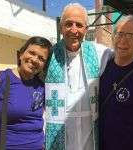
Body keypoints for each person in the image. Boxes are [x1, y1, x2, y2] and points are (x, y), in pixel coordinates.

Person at [44, 3, 110, 150]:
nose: (74, 30)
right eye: (68, 24)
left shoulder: (99, 52)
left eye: (79, 25)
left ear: (86, 29)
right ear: (61, 27)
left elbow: (125, 59)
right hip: (60, 132)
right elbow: (27, 69)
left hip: (90, 132)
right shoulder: (49, 55)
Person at [0, 36, 52, 150]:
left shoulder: (42, 86)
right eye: (32, 53)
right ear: (20, 54)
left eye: (41, 58)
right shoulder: (0, 80)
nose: (35, 60)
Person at [99, 15, 133, 150]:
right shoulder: (102, 68)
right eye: (120, 34)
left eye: (130, 36)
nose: (123, 40)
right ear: (113, 37)